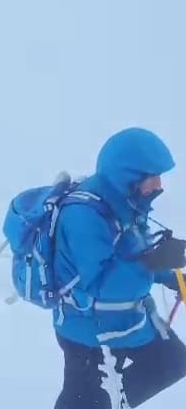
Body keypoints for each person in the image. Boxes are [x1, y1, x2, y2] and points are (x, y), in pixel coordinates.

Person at [51, 127, 186, 409]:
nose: (159, 185)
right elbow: (101, 284)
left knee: (172, 361)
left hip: (123, 323)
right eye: (152, 176)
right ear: (128, 174)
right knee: (80, 400)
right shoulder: (83, 216)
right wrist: (153, 263)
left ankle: (106, 404)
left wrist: (171, 275)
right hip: (87, 330)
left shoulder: (127, 203)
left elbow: (138, 251)